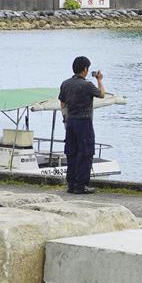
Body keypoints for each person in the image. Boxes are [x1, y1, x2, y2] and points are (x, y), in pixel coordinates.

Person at [57, 55, 106, 194]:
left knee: (71, 152)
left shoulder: (65, 84)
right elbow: (102, 94)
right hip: (84, 121)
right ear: (85, 69)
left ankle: (71, 184)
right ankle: (81, 185)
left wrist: (66, 119)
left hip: (70, 121)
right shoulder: (87, 85)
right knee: (86, 153)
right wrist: (100, 80)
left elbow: (62, 103)